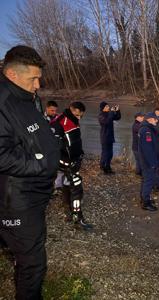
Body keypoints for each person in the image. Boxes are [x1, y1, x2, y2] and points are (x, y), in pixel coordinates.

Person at [0, 45, 60, 299]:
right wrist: (39, 164)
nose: (38, 85)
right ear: (12, 75)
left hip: (34, 194)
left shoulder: (29, 97)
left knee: (30, 247)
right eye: (33, 79)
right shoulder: (3, 103)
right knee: (32, 263)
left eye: (39, 78)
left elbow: (31, 135)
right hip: (16, 199)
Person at [50, 101, 92, 230]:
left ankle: (69, 212)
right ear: (72, 109)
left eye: (81, 116)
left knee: (68, 185)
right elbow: (54, 144)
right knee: (77, 188)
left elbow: (74, 142)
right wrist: (67, 161)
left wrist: (79, 154)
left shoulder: (72, 120)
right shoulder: (60, 122)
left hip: (73, 159)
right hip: (66, 161)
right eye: (78, 114)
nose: (79, 117)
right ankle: (77, 218)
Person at [138, 112, 159, 211]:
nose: (157, 121)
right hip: (147, 162)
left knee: (145, 180)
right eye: (155, 119)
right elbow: (147, 149)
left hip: (145, 160)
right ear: (150, 119)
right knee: (148, 181)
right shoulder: (146, 131)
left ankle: (143, 198)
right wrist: (152, 164)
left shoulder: (145, 129)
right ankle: (145, 203)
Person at [98, 101, 121, 174]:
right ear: (103, 108)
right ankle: (104, 168)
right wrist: (111, 112)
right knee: (106, 153)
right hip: (105, 137)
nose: (108, 107)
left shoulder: (109, 114)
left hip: (110, 137)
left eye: (108, 106)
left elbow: (117, 117)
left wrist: (117, 111)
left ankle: (106, 166)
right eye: (107, 106)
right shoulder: (101, 116)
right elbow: (107, 122)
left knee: (110, 154)